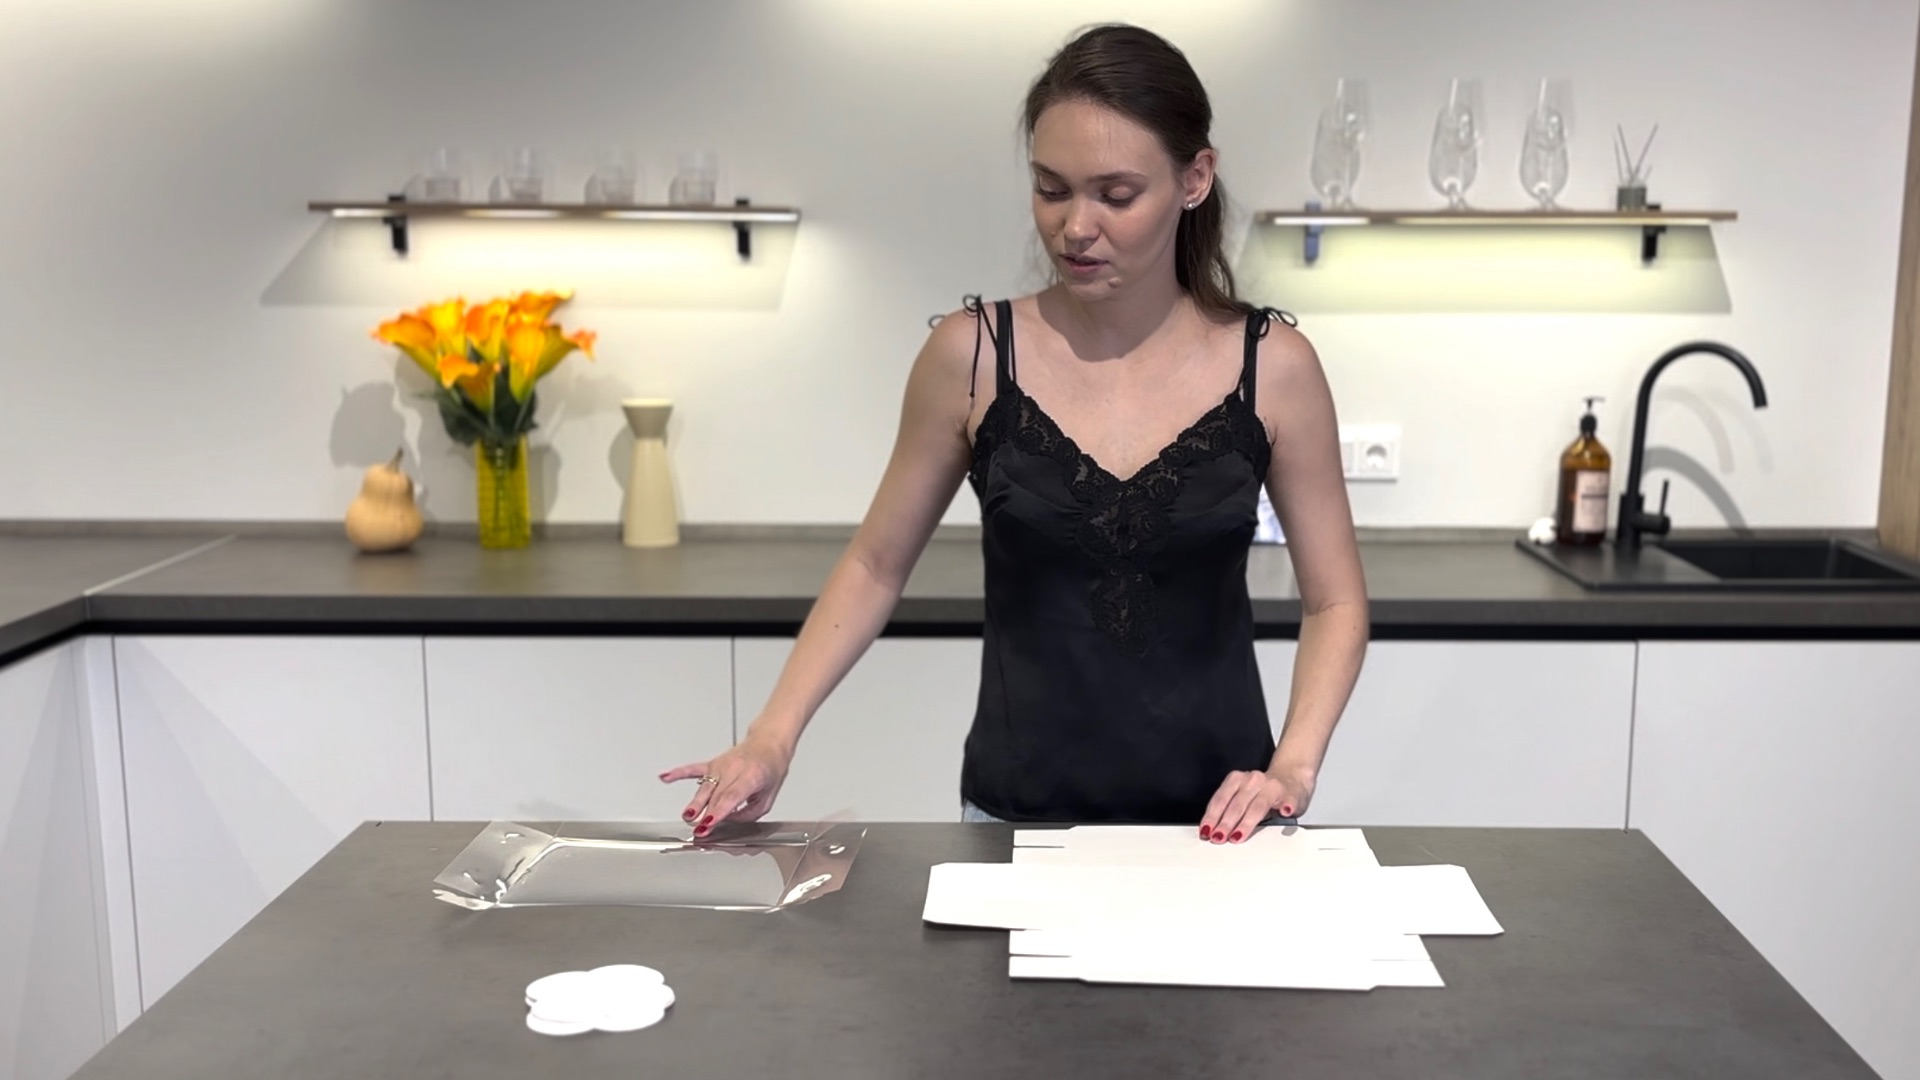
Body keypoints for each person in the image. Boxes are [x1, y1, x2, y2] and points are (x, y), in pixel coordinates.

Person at [662, 23, 1368, 843]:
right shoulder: (970, 357)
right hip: (1011, 823)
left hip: (1220, 826)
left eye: (1115, 195)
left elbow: (1335, 599)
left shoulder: (1274, 366)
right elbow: (874, 564)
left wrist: (1294, 765)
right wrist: (771, 738)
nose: (1075, 226)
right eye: (1051, 188)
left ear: (1194, 179)